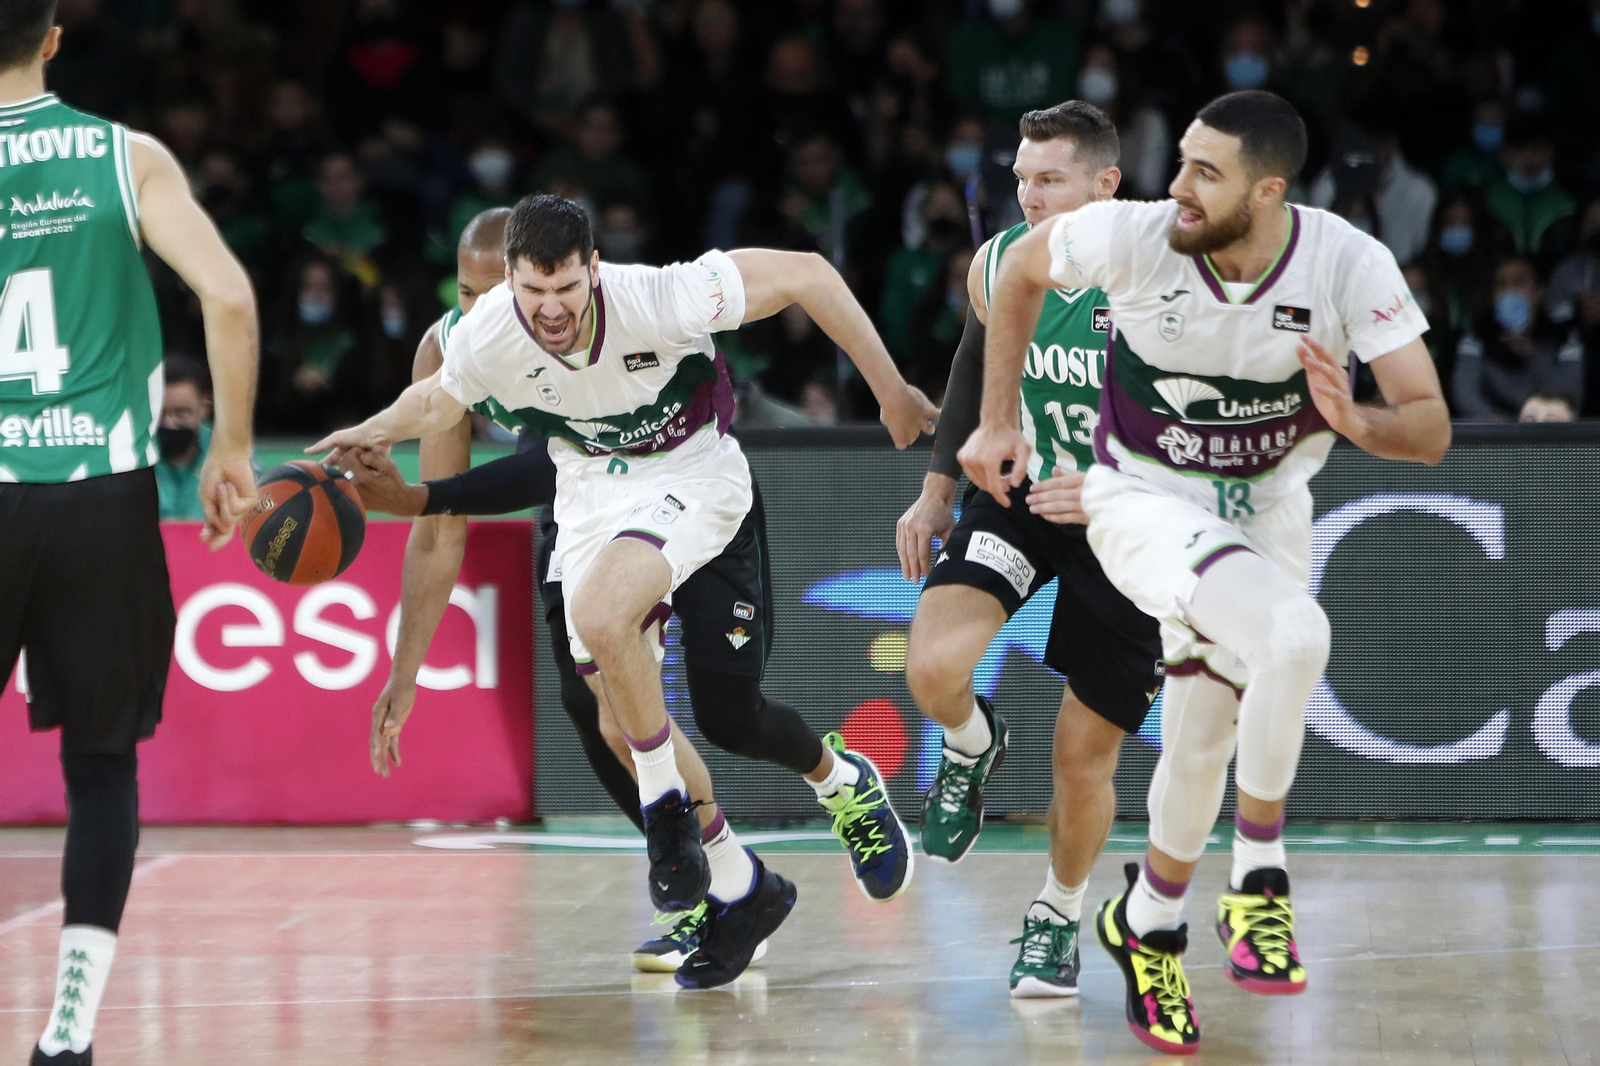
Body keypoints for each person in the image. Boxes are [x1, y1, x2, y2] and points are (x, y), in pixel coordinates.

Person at [312, 193, 937, 989]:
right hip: (592, 497)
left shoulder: (659, 296)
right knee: (612, 711)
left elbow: (809, 273)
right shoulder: (488, 331)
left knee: (721, 711)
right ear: (508, 282)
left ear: (593, 271)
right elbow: (436, 400)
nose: (551, 310)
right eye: (532, 293)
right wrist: (372, 430)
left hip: (696, 478)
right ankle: (741, 889)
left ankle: (813, 791)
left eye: (567, 290)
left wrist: (887, 386)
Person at [962, 90, 1450, 1053]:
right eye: (1180, 161)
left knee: (1201, 740)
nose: (1179, 186)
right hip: (1142, 500)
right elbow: (1017, 274)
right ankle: (1259, 880)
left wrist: (1356, 421)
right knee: (1295, 636)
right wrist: (997, 416)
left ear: (1268, 193)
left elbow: (1428, 428)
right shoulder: (1136, 236)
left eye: (1206, 173)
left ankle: (1146, 923)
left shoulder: (1349, 262)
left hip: (1269, 510)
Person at [0, 5, 260, 1064]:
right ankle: (66, 1031)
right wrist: (233, 449)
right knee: (100, 768)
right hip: (104, 492)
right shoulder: (125, 155)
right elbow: (231, 298)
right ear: (54, 37)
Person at [895, 100, 1162, 1002]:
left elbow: (1207, 427)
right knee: (933, 665)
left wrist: (1114, 490)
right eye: (1021, 179)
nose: (1030, 197)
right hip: (1019, 496)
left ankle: (1056, 914)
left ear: (1105, 186)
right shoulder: (1003, 259)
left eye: (1049, 180)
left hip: (1133, 529)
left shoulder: (1161, 280)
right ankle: (972, 747)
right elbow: (979, 354)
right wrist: (938, 486)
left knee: (1082, 760)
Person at [1452, 256, 1586, 421]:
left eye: (1519, 283)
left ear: (1539, 291)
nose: (1510, 292)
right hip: (1496, 434)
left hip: (1546, 430)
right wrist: (1502, 427)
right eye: (1501, 285)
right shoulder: (1476, 336)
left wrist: (1531, 355)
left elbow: (1569, 396)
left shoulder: (1564, 336)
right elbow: (1466, 395)